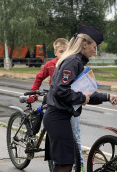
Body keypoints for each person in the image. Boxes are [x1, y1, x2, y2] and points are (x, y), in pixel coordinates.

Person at [43, 24, 117, 172]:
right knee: (66, 163)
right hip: (57, 117)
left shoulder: (76, 61)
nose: (94, 51)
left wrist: (108, 96)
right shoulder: (73, 61)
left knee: (62, 163)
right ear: (84, 44)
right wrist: (80, 98)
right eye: (94, 46)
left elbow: (85, 95)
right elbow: (62, 89)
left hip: (58, 117)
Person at [30, 38, 85, 171]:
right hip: (55, 102)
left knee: (75, 134)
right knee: (55, 135)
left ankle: (80, 165)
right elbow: (39, 77)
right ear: (55, 52)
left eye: (66, 51)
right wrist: (33, 92)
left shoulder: (71, 63)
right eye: (61, 51)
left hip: (71, 102)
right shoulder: (50, 65)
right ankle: (57, 163)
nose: (63, 54)